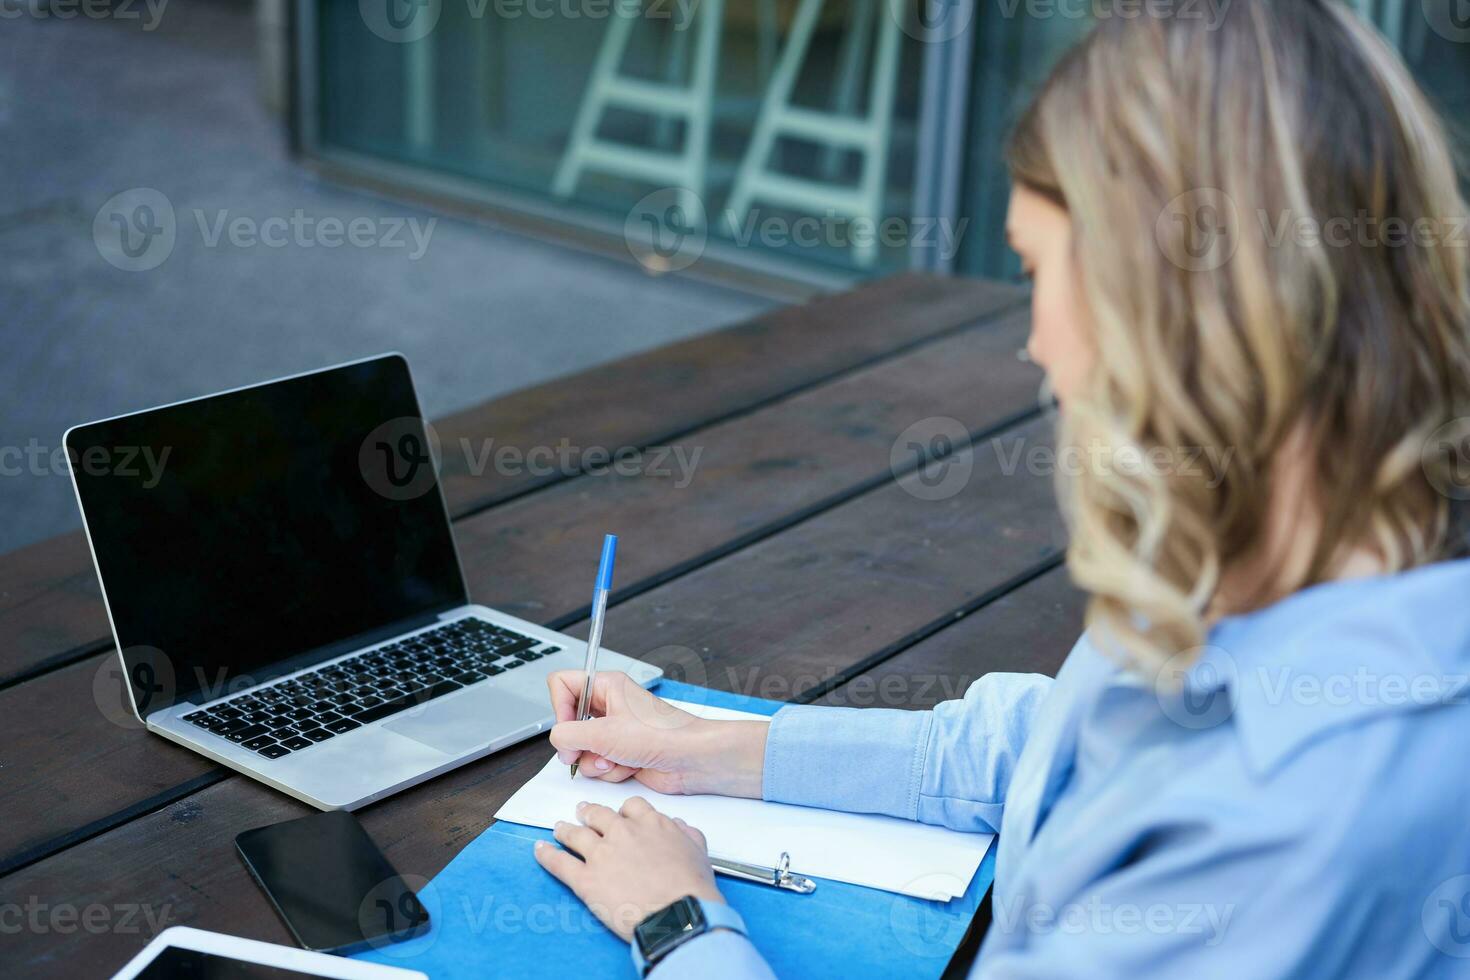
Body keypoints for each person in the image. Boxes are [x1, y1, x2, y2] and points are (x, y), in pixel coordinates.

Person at [531, 0, 1470, 974]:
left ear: (1158, 307)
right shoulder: (1287, 567)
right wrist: (713, 744)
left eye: (1034, 270)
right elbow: (1046, 748)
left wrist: (681, 922)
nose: (1035, 340)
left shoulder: (1276, 827)